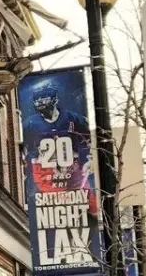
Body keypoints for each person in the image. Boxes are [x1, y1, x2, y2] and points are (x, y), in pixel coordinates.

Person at [22, 82, 98, 215]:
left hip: (74, 170)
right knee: (52, 211)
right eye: (37, 98)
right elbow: (23, 149)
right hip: (45, 174)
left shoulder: (74, 119)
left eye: (44, 97)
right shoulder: (29, 124)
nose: (39, 101)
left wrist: (89, 159)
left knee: (90, 209)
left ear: (54, 98)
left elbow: (89, 141)